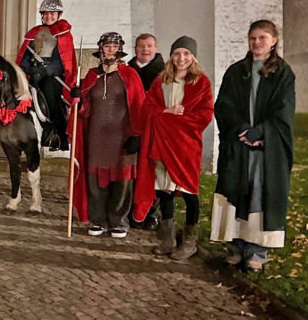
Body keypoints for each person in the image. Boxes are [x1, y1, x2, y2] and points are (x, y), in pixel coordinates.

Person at [211, 20, 296, 272]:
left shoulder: (283, 73)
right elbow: (223, 104)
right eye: (252, 38)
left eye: (262, 38)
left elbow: (284, 108)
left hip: (265, 148)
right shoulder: (237, 71)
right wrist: (239, 128)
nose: (256, 42)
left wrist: (261, 132)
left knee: (260, 193)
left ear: (273, 41)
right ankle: (236, 247)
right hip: (239, 144)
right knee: (237, 191)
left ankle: (257, 251)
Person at [133, 36, 214, 259]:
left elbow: (203, 115)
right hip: (161, 143)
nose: (181, 58)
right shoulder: (162, 81)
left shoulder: (200, 82)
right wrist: (164, 114)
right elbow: (148, 110)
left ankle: (190, 241)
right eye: (177, 53)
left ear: (193, 57)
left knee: (188, 190)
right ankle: (167, 239)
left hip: (185, 144)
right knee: (164, 189)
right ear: (171, 56)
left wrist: (169, 120)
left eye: (186, 54)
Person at [69, 32, 145, 239]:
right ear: (101, 48)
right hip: (96, 136)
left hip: (122, 137)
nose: (110, 49)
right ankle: (98, 220)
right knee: (95, 180)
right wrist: (78, 101)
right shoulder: (92, 76)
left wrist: (136, 134)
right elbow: (85, 111)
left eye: (114, 46)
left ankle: (119, 221)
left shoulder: (130, 75)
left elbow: (139, 106)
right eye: (107, 46)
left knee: (122, 181)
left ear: (120, 49)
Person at [16, 0, 77, 151]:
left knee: (51, 96)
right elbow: (24, 58)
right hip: (33, 72)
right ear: (42, 15)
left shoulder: (63, 33)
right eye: (46, 13)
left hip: (52, 75)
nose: (49, 16)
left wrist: (46, 71)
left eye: (53, 14)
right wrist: (27, 70)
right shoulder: (34, 33)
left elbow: (62, 59)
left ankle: (59, 135)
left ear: (58, 15)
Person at [127, 32, 166, 230]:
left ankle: (153, 213)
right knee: (132, 170)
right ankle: (130, 211)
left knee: (153, 171)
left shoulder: (164, 73)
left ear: (155, 48)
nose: (145, 49)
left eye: (149, 45)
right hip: (131, 128)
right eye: (141, 46)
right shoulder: (127, 70)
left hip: (155, 129)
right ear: (135, 48)